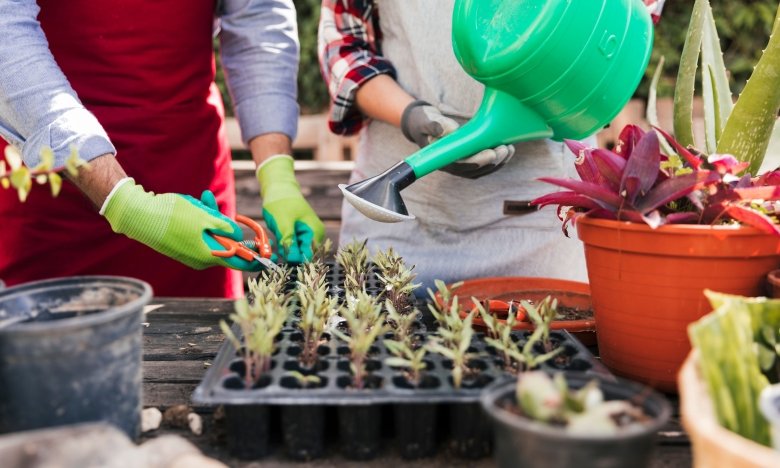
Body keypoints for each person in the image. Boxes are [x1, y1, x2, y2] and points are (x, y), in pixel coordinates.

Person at [0, 0, 325, 298]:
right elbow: (6, 31)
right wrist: (124, 204)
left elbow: (258, 17)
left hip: (192, 179)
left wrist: (277, 174)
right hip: (55, 203)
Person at [318, 0, 599, 292]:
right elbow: (345, 48)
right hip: (398, 230)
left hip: (533, 230)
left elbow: (613, 38)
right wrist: (409, 116)